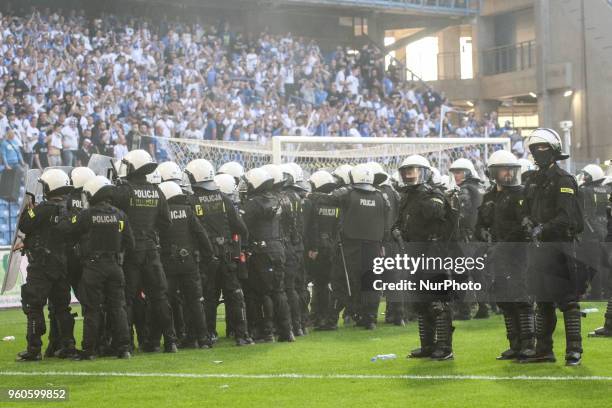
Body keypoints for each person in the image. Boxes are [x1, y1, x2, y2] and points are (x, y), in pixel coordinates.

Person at [521, 128, 585, 366]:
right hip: (538, 249)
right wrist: (526, 221)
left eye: (542, 148)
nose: (538, 152)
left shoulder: (564, 180)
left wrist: (543, 228)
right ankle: (544, 350)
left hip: (560, 248)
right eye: (534, 148)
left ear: (554, 150)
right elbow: (526, 209)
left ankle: (574, 351)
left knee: (567, 301)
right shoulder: (532, 181)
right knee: (543, 301)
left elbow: (566, 218)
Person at [60, 176, 134, 360]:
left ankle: (90, 350)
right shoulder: (120, 214)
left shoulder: (86, 215)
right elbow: (130, 243)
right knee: (118, 307)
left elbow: (67, 230)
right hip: (115, 266)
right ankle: (124, 348)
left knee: (92, 309)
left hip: (93, 267)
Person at [112, 149, 177, 353]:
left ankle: (128, 344)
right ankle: (170, 342)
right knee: (159, 297)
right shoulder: (156, 191)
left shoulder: (123, 191)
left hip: (130, 252)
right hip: (151, 250)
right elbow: (167, 223)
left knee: (128, 298)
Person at [311, 163, 390, 330]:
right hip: (374, 246)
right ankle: (369, 319)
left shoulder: (347, 193)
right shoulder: (382, 196)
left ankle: (331, 320)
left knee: (340, 281)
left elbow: (327, 199)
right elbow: (386, 223)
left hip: (349, 246)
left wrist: (311, 195)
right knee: (371, 283)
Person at [475, 150, 535, 361]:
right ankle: (514, 343)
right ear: (493, 173)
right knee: (503, 298)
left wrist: (501, 246)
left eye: (511, 170)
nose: (508, 174)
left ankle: (528, 344)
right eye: (504, 170)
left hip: (518, 253)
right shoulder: (489, 196)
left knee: (521, 298)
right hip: (496, 254)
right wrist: (482, 234)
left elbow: (524, 226)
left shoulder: (522, 194)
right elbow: (480, 223)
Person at [185, 159, 253, 346]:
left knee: (208, 297)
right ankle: (242, 335)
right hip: (227, 255)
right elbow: (241, 228)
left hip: (206, 258)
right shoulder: (224, 199)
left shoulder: (190, 201)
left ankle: (209, 334)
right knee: (234, 296)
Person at [394, 155, 455, 360]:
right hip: (414, 253)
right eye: (405, 171)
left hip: (433, 253)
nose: (409, 175)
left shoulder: (433, 193)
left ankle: (445, 347)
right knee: (421, 303)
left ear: (424, 172)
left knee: (438, 302)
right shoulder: (406, 197)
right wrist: (396, 231)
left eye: (413, 170)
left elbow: (439, 215)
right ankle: (427, 345)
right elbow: (400, 222)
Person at [15, 169, 76, 361]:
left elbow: (24, 224)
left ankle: (34, 350)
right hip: (62, 265)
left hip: (41, 266)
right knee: (62, 307)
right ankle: (68, 346)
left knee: (33, 306)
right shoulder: (70, 209)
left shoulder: (43, 208)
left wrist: (28, 208)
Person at [158, 181, 215, 349]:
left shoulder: (161, 213)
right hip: (189, 262)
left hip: (168, 264)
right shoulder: (188, 211)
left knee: (166, 301)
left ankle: (171, 340)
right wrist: (209, 256)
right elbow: (201, 234)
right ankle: (202, 339)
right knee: (195, 302)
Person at [242, 167, 294, 342]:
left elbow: (243, 227)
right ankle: (287, 331)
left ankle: (268, 332)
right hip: (279, 248)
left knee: (263, 292)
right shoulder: (276, 199)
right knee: (279, 290)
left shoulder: (253, 203)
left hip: (261, 251)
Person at [449, 158, 486, 319]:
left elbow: (461, 216)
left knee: (460, 274)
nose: (456, 176)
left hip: (465, 238)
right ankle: (483, 308)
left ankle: (463, 311)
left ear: (468, 173)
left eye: (459, 172)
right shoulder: (480, 188)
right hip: (478, 237)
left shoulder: (464, 190)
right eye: (455, 173)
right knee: (479, 273)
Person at [305, 170, 340, 330]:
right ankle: (324, 316)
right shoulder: (335, 202)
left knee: (315, 284)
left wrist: (312, 247)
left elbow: (312, 226)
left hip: (316, 249)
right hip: (331, 248)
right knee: (324, 284)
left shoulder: (312, 202)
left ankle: (315, 317)